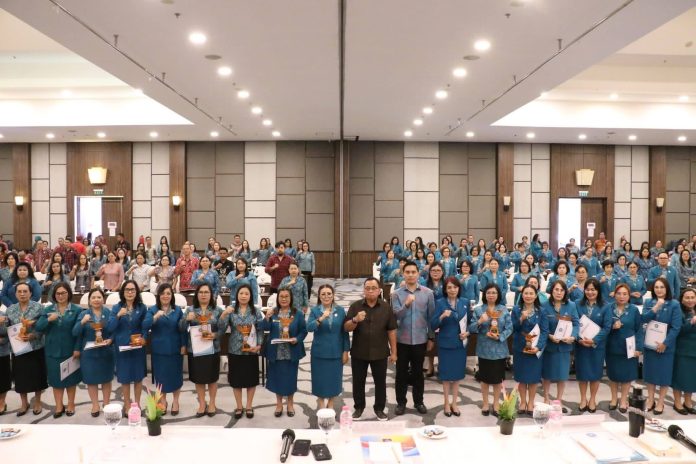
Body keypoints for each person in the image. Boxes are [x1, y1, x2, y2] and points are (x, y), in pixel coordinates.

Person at [344, 277, 397, 421]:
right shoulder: (355, 306)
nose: (371, 291)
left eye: (374, 288)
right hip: (359, 352)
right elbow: (346, 327)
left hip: (380, 352)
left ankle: (379, 409)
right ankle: (359, 408)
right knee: (358, 382)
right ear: (364, 290)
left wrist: (394, 352)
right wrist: (355, 320)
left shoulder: (386, 307)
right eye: (367, 288)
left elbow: (391, 330)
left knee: (380, 382)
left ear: (379, 290)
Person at [391, 261, 435, 416]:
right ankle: (401, 402)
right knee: (401, 373)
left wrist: (431, 338)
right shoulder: (396, 294)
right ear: (403, 274)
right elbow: (396, 316)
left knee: (418, 373)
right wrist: (407, 304)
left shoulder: (428, 293)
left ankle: (419, 401)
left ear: (418, 274)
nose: (410, 275)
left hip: (420, 340)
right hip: (402, 340)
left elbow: (431, 317)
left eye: (413, 272)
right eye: (407, 272)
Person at [34, 283, 82, 417]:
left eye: (63, 293)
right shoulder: (48, 309)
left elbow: (79, 333)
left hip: (70, 350)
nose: (60, 296)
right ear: (54, 295)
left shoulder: (77, 310)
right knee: (56, 380)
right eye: (58, 293)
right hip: (52, 351)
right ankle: (59, 406)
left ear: (69, 294)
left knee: (71, 380)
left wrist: (77, 348)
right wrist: (49, 319)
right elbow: (38, 327)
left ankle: (71, 404)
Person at [0, 282, 47, 415]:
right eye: (19, 291)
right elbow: (6, 330)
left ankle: (38, 402)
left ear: (31, 293)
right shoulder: (10, 310)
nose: (22, 294)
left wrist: (33, 335)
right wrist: (1, 323)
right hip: (18, 348)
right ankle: (24, 403)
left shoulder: (38, 307)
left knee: (38, 375)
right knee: (20, 377)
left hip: (35, 347)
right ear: (15, 294)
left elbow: (43, 327)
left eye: (25, 291)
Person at [219, 284, 264, 419]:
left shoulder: (256, 311)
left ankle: (249, 406)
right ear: (236, 295)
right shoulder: (231, 310)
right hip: (235, 349)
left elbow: (260, 330)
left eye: (246, 294)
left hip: (251, 350)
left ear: (250, 296)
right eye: (241, 293)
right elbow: (221, 328)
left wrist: (259, 345)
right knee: (236, 380)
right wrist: (224, 314)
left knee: (251, 380)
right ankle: (239, 406)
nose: (243, 296)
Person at [468, 283, 512, 417]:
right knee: (485, 379)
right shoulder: (478, 310)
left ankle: (496, 404)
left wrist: (500, 336)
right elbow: (471, 328)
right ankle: (485, 403)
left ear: (498, 295)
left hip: (499, 349)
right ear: (484, 295)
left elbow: (509, 328)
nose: (491, 295)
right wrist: (480, 321)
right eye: (488, 293)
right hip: (484, 349)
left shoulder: (503, 310)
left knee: (498, 380)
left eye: (494, 292)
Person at [262, 288, 307, 417]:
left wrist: (296, 339)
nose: (284, 299)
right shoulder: (273, 312)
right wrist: (267, 317)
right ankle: (279, 404)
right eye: (281, 296)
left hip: (291, 351)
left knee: (290, 379)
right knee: (277, 378)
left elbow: (303, 331)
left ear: (291, 298)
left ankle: (290, 404)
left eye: (286, 296)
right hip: (275, 351)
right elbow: (265, 328)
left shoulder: (298, 313)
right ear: (278, 298)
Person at [180, 283, 222, 417]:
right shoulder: (190, 309)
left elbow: (223, 328)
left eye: (206, 292)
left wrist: (215, 335)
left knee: (212, 378)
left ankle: (212, 403)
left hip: (212, 349)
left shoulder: (217, 310)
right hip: (196, 350)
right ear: (197, 295)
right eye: (201, 292)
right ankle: (202, 404)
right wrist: (187, 320)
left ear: (211, 295)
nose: (203, 295)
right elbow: (180, 327)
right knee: (198, 378)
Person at [142, 283, 185, 416]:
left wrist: (183, 345)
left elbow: (183, 329)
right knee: (161, 378)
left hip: (175, 349)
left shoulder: (177, 310)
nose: (165, 296)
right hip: (159, 350)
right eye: (162, 293)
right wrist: (155, 317)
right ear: (158, 295)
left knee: (176, 376)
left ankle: (176, 401)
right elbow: (145, 325)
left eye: (168, 293)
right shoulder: (152, 310)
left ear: (172, 295)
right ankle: (163, 401)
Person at [642, 277, 682, 414]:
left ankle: (661, 402)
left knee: (664, 375)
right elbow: (643, 319)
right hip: (650, 345)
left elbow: (676, 327)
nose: (659, 290)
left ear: (667, 289)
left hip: (666, 347)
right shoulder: (648, 302)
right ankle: (651, 400)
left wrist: (665, 343)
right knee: (650, 374)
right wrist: (656, 307)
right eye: (656, 287)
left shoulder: (674, 304)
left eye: (662, 287)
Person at [430, 277, 470, 417]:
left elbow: (470, 322)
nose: (452, 290)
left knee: (457, 375)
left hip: (460, 344)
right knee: (446, 376)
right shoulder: (440, 302)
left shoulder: (465, 302)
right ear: (445, 289)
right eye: (449, 287)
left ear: (459, 288)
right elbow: (433, 324)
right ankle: (446, 403)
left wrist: (467, 332)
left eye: (455, 287)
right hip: (445, 344)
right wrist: (441, 316)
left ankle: (455, 403)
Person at [307, 284, 349, 410]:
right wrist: (321, 318)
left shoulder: (340, 311)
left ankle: (331, 403)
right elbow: (309, 328)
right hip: (319, 352)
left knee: (334, 379)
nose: (326, 296)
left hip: (336, 351)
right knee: (319, 379)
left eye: (329, 294)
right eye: (323, 294)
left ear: (333, 295)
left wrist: (345, 351)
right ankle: (320, 402)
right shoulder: (315, 311)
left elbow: (344, 332)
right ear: (319, 296)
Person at [107, 279, 147, 412]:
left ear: (136, 292)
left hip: (137, 347)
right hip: (122, 347)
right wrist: (118, 315)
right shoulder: (116, 307)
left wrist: (144, 338)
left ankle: (137, 404)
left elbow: (145, 327)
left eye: (132, 290)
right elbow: (110, 327)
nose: (130, 292)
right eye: (127, 290)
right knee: (125, 378)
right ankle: (127, 404)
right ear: (123, 292)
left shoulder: (142, 307)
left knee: (138, 377)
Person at [73, 288, 114, 416]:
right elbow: (75, 333)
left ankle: (106, 404)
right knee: (91, 380)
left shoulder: (109, 313)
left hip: (105, 351)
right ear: (89, 300)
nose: (96, 300)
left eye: (99, 297)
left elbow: (114, 330)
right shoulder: (84, 314)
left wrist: (111, 339)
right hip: (89, 353)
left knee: (106, 379)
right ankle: (95, 405)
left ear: (103, 299)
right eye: (93, 297)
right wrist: (82, 322)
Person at [575, 278, 612, 413]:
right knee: (582, 374)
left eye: (593, 289)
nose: (590, 292)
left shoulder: (606, 306)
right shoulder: (577, 304)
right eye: (588, 289)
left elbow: (607, 327)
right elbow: (574, 324)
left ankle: (592, 399)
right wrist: (579, 339)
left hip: (597, 346)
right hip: (581, 345)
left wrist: (594, 340)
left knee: (595, 374)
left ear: (598, 291)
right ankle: (583, 399)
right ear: (584, 290)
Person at [541, 280, 579, 411]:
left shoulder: (571, 305)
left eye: (561, 290)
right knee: (547, 374)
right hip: (549, 346)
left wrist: (573, 336)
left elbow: (576, 323)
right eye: (556, 290)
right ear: (552, 291)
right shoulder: (544, 305)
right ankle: (546, 397)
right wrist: (549, 336)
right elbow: (541, 326)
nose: (559, 292)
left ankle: (558, 400)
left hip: (564, 346)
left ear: (565, 292)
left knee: (562, 375)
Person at [605, 283, 643, 413]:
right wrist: (612, 327)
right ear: (614, 294)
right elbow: (603, 327)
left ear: (629, 295)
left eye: (625, 294)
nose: (622, 296)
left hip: (629, 348)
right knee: (613, 375)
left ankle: (623, 400)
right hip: (612, 347)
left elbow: (639, 330)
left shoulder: (634, 310)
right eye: (619, 293)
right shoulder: (608, 308)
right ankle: (614, 399)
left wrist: (639, 348)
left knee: (627, 376)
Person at [512, 284, 548, 415]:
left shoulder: (542, 311)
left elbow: (544, 331)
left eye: (531, 293)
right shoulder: (516, 309)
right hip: (520, 348)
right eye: (526, 293)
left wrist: (538, 347)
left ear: (536, 295)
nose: (528, 296)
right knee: (521, 377)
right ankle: (522, 402)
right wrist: (521, 319)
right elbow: (513, 328)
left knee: (533, 377)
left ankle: (531, 402)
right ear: (522, 295)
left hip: (535, 348)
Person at [672, 288, 696, 415]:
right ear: (681, 299)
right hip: (682, 350)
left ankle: (688, 402)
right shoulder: (678, 312)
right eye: (687, 297)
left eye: (692, 297)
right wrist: (691, 322)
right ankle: (677, 402)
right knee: (679, 377)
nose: (690, 300)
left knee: (691, 378)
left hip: (694, 351)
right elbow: (678, 330)